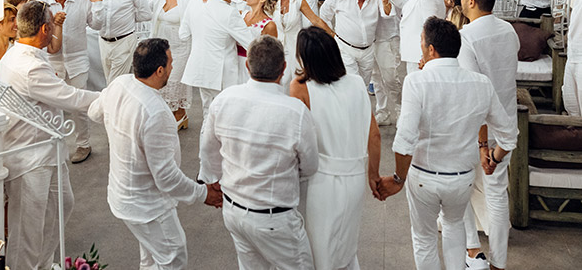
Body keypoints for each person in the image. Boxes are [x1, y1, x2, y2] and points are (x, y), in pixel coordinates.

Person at [378, 18, 516, 270]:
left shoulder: (416, 82)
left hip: (424, 176)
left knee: (424, 238)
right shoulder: (480, 84)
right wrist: (494, 157)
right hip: (461, 177)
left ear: (431, 49)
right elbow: (508, 134)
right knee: (454, 228)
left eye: (421, 41)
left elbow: (404, 142)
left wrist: (398, 178)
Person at [89, 39, 222, 269]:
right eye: (170, 63)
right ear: (159, 71)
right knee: (173, 256)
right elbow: (166, 177)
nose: (173, 67)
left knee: (150, 257)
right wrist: (202, 194)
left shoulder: (120, 83)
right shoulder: (156, 111)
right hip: (148, 206)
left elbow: (93, 112)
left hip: (121, 195)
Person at [199, 35, 318, 270]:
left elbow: (208, 149)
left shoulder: (224, 99)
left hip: (234, 210)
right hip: (274, 217)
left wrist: (212, 181)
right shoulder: (295, 112)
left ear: (247, 65)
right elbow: (310, 165)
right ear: (284, 69)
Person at [0, 0, 99, 270]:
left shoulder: (21, 53)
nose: (55, 27)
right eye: (53, 24)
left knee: (62, 205)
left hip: (48, 149)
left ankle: (43, 264)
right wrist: (112, 97)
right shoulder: (29, 67)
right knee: (28, 228)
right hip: (30, 155)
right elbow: (70, 97)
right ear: (45, 29)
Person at [290, 27, 382, 270]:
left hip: (319, 181)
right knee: (346, 244)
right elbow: (374, 135)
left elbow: (296, 139)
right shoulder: (356, 83)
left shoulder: (301, 87)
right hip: (354, 177)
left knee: (319, 249)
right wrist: (373, 175)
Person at [455, 0, 521, 270]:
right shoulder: (509, 31)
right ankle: (498, 263)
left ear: (471, 1)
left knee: (461, 190)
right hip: (506, 120)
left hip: (476, 128)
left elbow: (476, 91)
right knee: (496, 194)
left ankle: (472, 251)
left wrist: (482, 143)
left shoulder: (467, 36)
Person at [42, 0, 103, 163]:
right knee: (53, 107)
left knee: (79, 107)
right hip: (53, 63)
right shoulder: (43, 6)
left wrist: (98, 4)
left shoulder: (82, 1)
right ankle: (54, 146)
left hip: (77, 61)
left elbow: (97, 25)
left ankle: (83, 145)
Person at [180, 0, 255, 124]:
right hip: (222, 75)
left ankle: (205, 148)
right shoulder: (229, 12)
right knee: (228, 118)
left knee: (208, 116)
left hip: (201, 70)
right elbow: (251, 43)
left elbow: (183, 34)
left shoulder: (194, 3)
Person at [86, 0, 152, 86]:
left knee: (114, 84)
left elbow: (146, 14)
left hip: (124, 42)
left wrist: (127, 17)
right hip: (103, 41)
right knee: (111, 81)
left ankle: (110, 106)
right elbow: (81, 1)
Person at [320, 0, 387, 92]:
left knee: (364, 86)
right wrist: (331, 34)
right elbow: (324, 14)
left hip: (368, 50)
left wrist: (386, 1)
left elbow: (387, 14)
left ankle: (360, 109)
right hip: (346, 49)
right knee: (353, 85)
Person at [381, 0, 447, 74]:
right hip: (415, 52)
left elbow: (430, 26)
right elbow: (404, 2)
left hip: (420, 54)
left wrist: (426, 55)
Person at [150, 0, 195, 130]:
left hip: (180, 48)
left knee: (174, 82)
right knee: (161, 82)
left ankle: (176, 115)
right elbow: (146, 11)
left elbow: (197, 12)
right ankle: (180, 116)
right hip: (160, 48)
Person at [273, 0, 334, 88]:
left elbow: (315, 20)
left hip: (295, 49)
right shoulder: (273, 0)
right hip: (277, 48)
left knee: (297, 82)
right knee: (279, 82)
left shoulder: (299, 1)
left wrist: (333, 35)